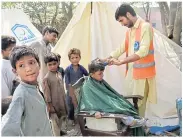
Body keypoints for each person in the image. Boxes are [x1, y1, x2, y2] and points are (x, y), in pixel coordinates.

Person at [99, 4, 157, 117]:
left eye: (122, 20)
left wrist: (121, 62)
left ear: (128, 14)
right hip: (132, 73)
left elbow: (143, 51)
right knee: (132, 102)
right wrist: (106, 59)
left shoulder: (145, 27)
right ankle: (136, 126)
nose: (122, 24)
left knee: (140, 104)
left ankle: (139, 130)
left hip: (143, 75)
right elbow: (121, 48)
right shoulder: (129, 31)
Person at [76, 60, 146, 136]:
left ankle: (131, 120)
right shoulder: (87, 86)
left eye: (102, 73)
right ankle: (130, 121)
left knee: (122, 105)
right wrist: (94, 112)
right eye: (100, 74)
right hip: (100, 109)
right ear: (92, 74)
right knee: (118, 108)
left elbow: (107, 95)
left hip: (104, 104)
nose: (102, 75)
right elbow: (87, 101)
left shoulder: (98, 81)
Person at [1, 46, 53, 136]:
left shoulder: (35, 86)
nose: (28, 69)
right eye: (21, 65)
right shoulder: (21, 95)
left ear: (39, 64)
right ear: (15, 71)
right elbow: (7, 129)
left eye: (31, 62)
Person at [43, 52, 67, 136]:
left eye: (54, 64)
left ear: (58, 63)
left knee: (61, 119)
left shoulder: (59, 74)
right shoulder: (47, 78)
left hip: (61, 102)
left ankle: (60, 132)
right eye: (50, 64)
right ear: (46, 65)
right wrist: (49, 105)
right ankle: (56, 135)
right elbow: (47, 93)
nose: (53, 66)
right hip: (53, 104)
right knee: (55, 122)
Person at [65, 48, 88, 125]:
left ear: (80, 57)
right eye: (72, 58)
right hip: (71, 90)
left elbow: (87, 75)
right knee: (70, 105)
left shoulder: (81, 68)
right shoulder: (68, 69)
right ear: (69, 59)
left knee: (81, 104)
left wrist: (86, 81)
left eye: (76, 57)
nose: (75, 60)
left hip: (80, 90)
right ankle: (70, 118)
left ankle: (82, 118)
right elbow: (67, 80)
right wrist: (69, 88)